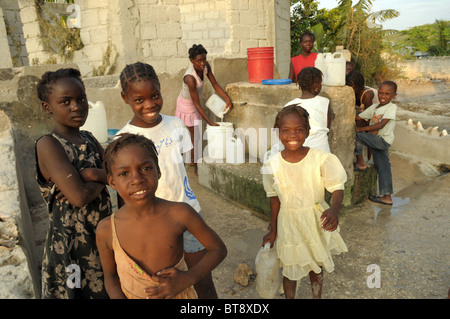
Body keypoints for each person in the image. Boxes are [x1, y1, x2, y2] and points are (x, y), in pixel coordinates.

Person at [117, 62, 220, 298]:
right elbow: (124, 194)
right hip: (154, 225)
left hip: (188, 213)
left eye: (154, 96)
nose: (150, 104)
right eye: (139, 100)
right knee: (164, 286)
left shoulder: (176, 125)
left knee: (203, 281)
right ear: (126, 98)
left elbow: (177, 168)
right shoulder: (124, 140)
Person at [96, 133, 227, 299]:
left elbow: (218, 249)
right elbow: (110, 278)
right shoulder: (107, 229)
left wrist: (188, 278)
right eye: (124, 173)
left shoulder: (180, 213)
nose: (137, 179)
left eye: (145, 168)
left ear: (158, 171)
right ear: (112, 181)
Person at [35, 68, 111, 299]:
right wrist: (102, 177)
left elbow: (119, 175)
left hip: (103, 238)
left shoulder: (88, 138)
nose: (76, 106)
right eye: (65, 101)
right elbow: (79, 198)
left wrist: (90, 176)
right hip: (71, 248)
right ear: (48, 107)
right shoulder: (49, 145)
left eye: (81, 99)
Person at [261, 105, 348, 299]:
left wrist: (334, 210)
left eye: (299, 130)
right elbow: (274, 199)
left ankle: (316, 296)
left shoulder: (320, 159)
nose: (293, 135)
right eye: (286, 130)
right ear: (278, 133)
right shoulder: (272, 165)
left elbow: (337, 186)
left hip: (314, 221)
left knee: (315, 265)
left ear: (307, 132)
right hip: (288, 223)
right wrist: (273, 229)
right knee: (290, 268)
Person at [176, 44, 233, 175]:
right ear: (191, 60)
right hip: (186, 105)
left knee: (194, 137)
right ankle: (194, 167)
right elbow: (196, 103)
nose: (202, 63)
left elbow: (215, 84)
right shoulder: (189, 78)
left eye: (204, 59)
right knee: (193, 137)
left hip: (194, 103)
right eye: (199, 61)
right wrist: (210, 122)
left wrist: (226, 98)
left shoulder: (206, 67)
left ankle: (191, 161)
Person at [354, 81, 398, 206]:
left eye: (387, 94)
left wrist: (361, 129)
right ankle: (387, 196)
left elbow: (381, 124)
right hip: (377, 141)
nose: (383, 96)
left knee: (357, 135)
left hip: (382, 140)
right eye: (381, 93)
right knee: (383, 168)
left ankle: (361, 162)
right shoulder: (375, 107)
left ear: (394, 96)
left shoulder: (391, 108)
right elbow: (360, 117)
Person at [285, 67, 332, 153]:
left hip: (298, 151)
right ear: (315, 85)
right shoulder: (325, 102)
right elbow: (326, 129)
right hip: (321, 151)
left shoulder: (289, 105)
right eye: (320, 83)